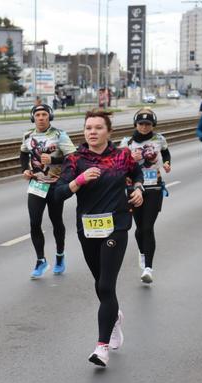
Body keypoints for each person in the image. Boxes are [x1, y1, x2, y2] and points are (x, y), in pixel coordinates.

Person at [54, 109, 144, 367]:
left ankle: (101, 347)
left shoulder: (122, 156)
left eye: (98, 128)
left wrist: (138, 190)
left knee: (106, 286)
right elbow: (58, 194)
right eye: (88, 128)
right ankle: (114, 317)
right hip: (88, 228)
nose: (92, 132)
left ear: (109, 132)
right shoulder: (75, 160)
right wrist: (78, 181)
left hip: (116, 224)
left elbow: (136, 174)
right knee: (100, 283)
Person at [20, 104, 76, 278]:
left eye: (44, 114)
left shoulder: (59, 135)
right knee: (34, 222)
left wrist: (54, 158)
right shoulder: (28, 136)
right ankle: (40, 260)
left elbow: (73, 157)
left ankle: (60, 255)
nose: (41, 118)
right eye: (38, 115)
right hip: (37, 185)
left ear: (49, 117)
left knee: (56, 220)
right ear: (33, 117)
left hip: (55, 185)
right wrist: (25, 169)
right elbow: (23, 153)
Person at [119, 108, 171, 284]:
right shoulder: (127, 142)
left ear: (153, 125)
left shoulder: (159, 139)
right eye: (141, 124)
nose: (144, 127)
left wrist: (167, 162)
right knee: (139, 228)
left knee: (148, 227)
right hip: (133, 189)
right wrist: (130, 159)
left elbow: (165, 151)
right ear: (136, 124)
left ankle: (148, 267)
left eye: (148, 124)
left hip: (154, 188)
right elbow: (119, 165)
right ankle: (142, 252)